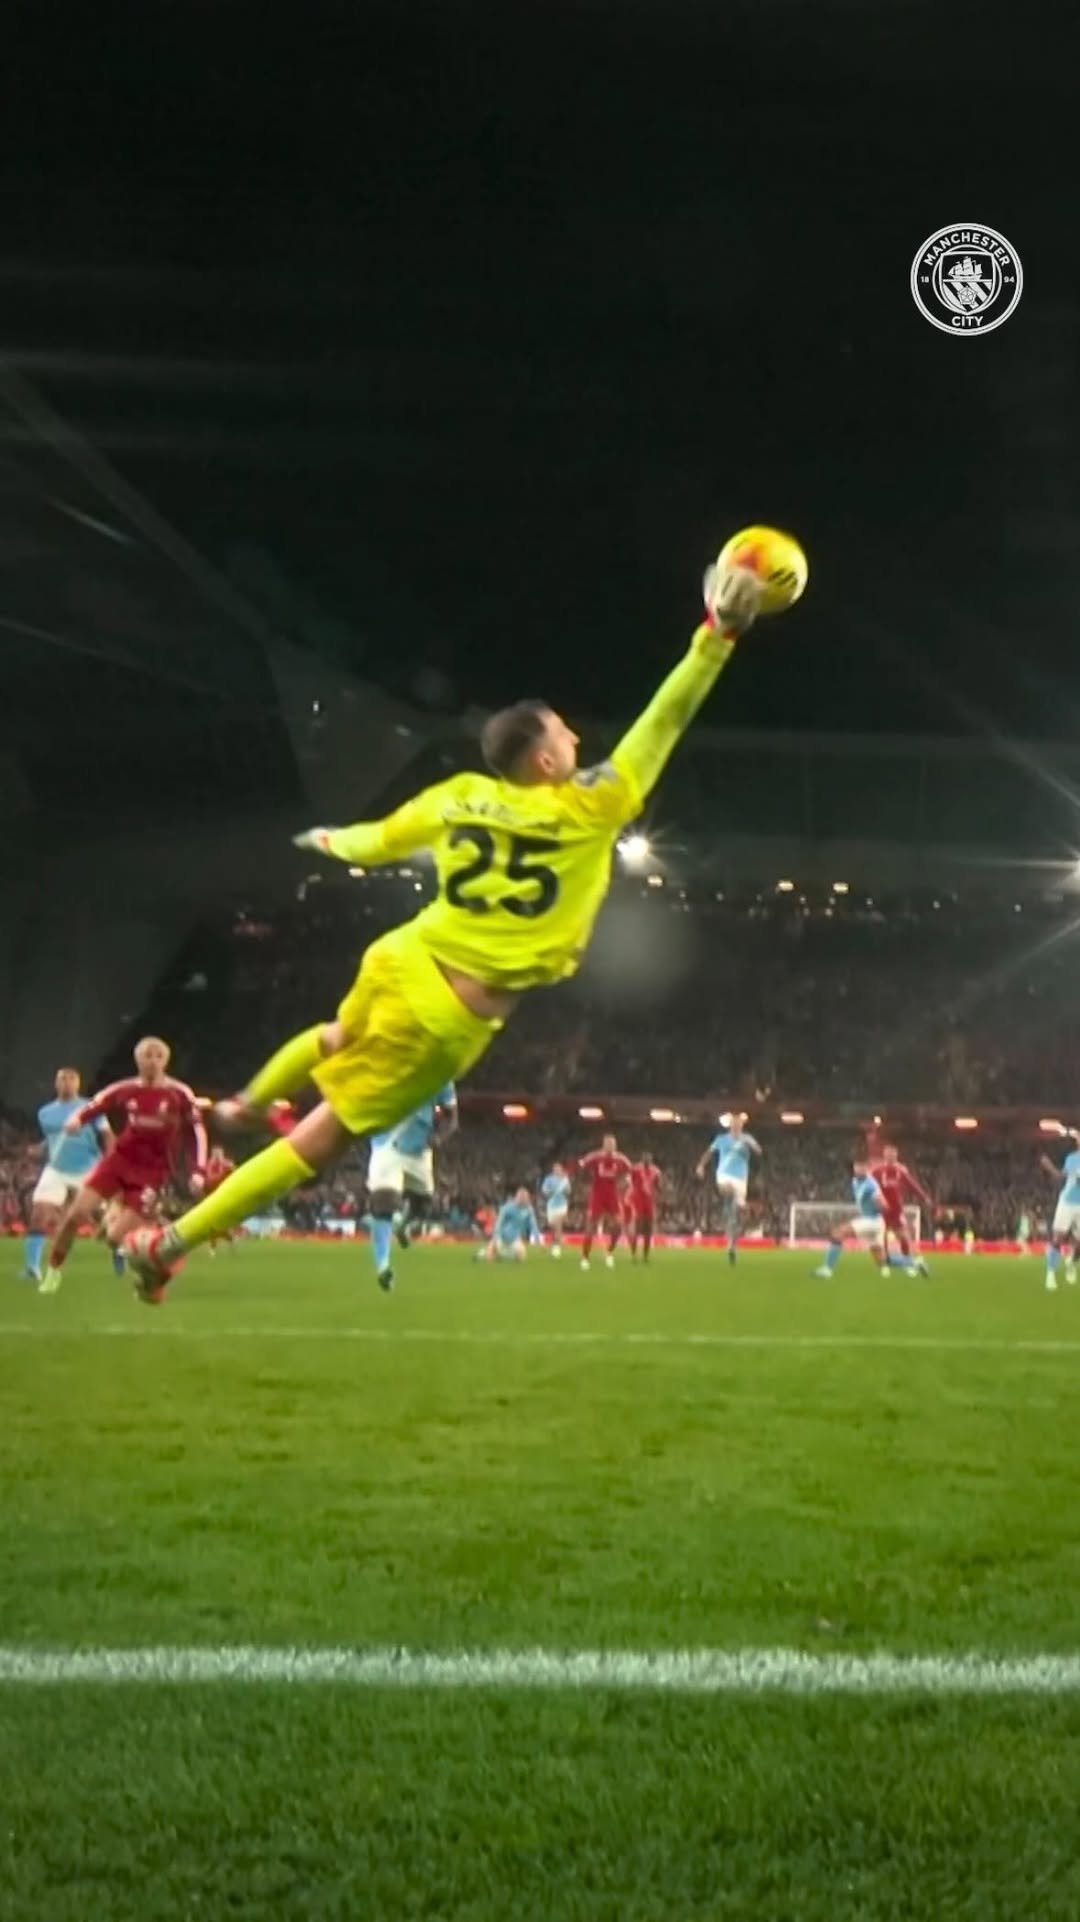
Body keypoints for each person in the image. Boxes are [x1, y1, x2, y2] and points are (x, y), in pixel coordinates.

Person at [125, 563, 762, 1301]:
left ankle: (242, 1104)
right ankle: (167, 1245)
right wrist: (719, 634)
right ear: (548, 760)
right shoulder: (591, 808)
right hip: (446, 1016)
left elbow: (376, 842)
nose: (577, 737)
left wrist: (328, 841)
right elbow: (666, 719)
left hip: (403, 954)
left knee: (335, 1036)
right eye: (565, 733)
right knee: (324, 1136)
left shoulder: (458, 796)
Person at [41, 1037, 207, 1294]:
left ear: (166, 1060)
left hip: (153, 1172)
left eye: (157, 1056)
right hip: (118, 1162)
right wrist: (78, 1119)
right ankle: (53, 1271)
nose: (152, 1061)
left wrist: (198, 1170)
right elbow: (96, 1104)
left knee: (115, 1239)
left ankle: (162, 1253)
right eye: (146, 1056)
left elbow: (197, 1131)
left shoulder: (179, 1093)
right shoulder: (124, 1089)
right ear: (137, 1060)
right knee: (75, 1215)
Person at [22, 1068, 112, 1287]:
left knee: (105, 1219)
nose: (67, 1083)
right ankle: (32, 1267)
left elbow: (107, 1135)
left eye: (72, 1079)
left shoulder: (91, 1108)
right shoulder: (45, 1113)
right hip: (56, 1170)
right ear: (56, 1083)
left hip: (88, 1169)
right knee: (39, 1215)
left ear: (78, 1083)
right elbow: (53, 1139)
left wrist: (111, 1163)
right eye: (63, 1079)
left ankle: (120, 1256)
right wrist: (39, 1148)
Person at [365, 1082, 457, 1291]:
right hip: (388, 1145)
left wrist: (439, 1138)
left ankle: (403, 1226)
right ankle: (383, 1266)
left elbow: (452, 1117)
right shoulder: (391, 1066)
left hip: (420, 1150)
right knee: (384, 1204)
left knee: (423, 1203)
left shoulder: (442, 1076)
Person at [696, 1113, 762, 1266]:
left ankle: (731, 1245)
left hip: (741, 1179)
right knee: (729, 1191)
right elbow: (709, 1153)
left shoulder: (747, 1138)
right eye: (734, 1123)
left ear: (742, 1126)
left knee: (736, 1214)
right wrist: (700, 1166)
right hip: (724, 1176)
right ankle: (729, 1211)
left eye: (738, 1124)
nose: (736, 1126)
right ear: (730, 1125)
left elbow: (759, 1151)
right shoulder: (721, 1139)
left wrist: (751, 1145)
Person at [812, 1159, 889, 1278]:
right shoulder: (855, 1182)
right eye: (858, 1166)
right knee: (879, 1256)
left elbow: (884, 1206)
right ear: (853, 1168)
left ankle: (827, 1269)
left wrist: (880, 1204)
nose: (860, 1168)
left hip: (872, 1221)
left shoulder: (871, 1185)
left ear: (868, 1168)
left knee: (837, 1233)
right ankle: (911, 1264)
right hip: (871, 1221)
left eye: (863, 1166)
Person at [868, 1142, 932, 1277]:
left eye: (893, 1153)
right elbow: (868, 1187)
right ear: (884, 1155)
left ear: (896, 1155)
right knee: (882, 1238)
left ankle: (908, 1264)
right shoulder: (877, 1171)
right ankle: (884, 1265)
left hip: (896, 1211)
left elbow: (912, 1185)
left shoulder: (901, 1171)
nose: (891, 1155)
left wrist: (924, 1197)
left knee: (904, 1238)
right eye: (888, 1153)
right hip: (882, 1210)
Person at [576, 1135, 633, 1271]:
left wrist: (625, 1183)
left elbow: (629, 1173)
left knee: (619, 1225)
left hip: (612, 1195)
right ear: (603, 1145)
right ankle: (585, 1257)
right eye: (608, 1144)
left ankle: (609, 1252)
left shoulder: (621, 1159)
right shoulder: (595, 1157)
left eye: (613, 1144)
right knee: (590, 1228)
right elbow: (580, 1167)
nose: (610, 1146)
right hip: (597, 1195)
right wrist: (585, 1182)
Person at [1039, 1136, 1080, 1291]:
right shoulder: (1072, 1158)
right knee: (1058, 1238)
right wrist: (1049, 1166)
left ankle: (1070, 1262)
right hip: (1068, 1202)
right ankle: (1050, 1274)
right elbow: (1060, 1176)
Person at [476, 1187, 541, 1263]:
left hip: (514, 1238)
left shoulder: (529, 1209)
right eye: (521, 1197)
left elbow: (533, 1224)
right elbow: (499, 1223)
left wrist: (537, 1237)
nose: (523, 1199)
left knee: (521, 1257)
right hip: (502, 1236)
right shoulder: (507, 1208)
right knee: (490, 1257)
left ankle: (496, 1253)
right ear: (516, 1197)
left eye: (525, 1198)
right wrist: (496, 1237)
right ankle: (489, 1251)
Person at [628, 1151, 662, 1263]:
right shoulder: (635, 1169)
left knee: (648, 1231)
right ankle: (633, 1255)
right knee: (637, 1229)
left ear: (651, 1159)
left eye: (649, 1158)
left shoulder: (656, 1171)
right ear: (642, 1159)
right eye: (645, 1158)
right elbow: (631, 1183)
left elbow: (658, 1186)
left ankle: (645, 1256)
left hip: (650, 1203)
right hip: (638, 1203)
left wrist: (658, 1195)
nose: (647, 1160)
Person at [539, 1161, 571, 1258]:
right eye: (555, 1168)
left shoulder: (565, 1179)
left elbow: (569, 1191)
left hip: (562, 1205)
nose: (557, 1170)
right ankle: (556, 1242)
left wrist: (565, 1189)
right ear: (553, 1170)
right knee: (553, 1226)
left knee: (558, 1225)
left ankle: (557, 1248)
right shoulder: (549, 1179)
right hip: (551, 1205)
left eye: (559, 1168)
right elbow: (544, 1190)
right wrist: (550, 1192)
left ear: (561, 1169)